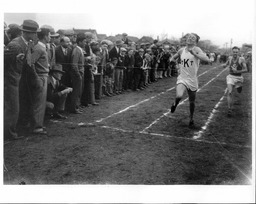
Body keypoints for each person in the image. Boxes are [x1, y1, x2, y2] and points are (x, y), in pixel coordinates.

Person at [4, 19, 40, 140]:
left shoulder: (25, 44)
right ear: (28, 33)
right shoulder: (15, 45)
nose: (36, 35)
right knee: (12, 108)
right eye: (35, 33)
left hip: (19, 80)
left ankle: (14, 130)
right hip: (11, 80)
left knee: (18, 106)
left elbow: (28, 63)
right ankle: (9, 134)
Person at [169, 33, 211, 127]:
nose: (190, 39)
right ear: (186, 39)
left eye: (193, 38)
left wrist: (195, 54)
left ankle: (191, 118)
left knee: (192, 101)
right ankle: (175, 104)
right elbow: (172, 58)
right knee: (179, 95)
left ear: (196, 42)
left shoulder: (197, 49)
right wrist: (174, 63)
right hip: (182, 78)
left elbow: (207, 59)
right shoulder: (181, 50)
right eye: (189, 37)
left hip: (192, 79)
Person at [221, 46, 248, 117]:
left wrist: (237, 71)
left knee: (239, 91)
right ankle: (229, 109)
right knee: (229, 92)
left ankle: (239, 87)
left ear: (238, 52)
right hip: (231, 77)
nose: (235, 53)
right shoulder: (230, 58)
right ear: (232, 52)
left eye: (236, 52)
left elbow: (246, 70)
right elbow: (226, 64)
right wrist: (224, 65)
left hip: (239, 78)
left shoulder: (241, 59)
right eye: (234, 52)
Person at [70, 32, 86, 114]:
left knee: (79, 91)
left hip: (80, 73)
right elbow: (74, 64)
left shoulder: (80, 50)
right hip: (77, 74)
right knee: (76, 91)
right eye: (84, 42)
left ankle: (77, 106)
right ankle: (74, 108)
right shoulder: (76, 50)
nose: (85, 43)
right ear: (79, 42)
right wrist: (78, 74)